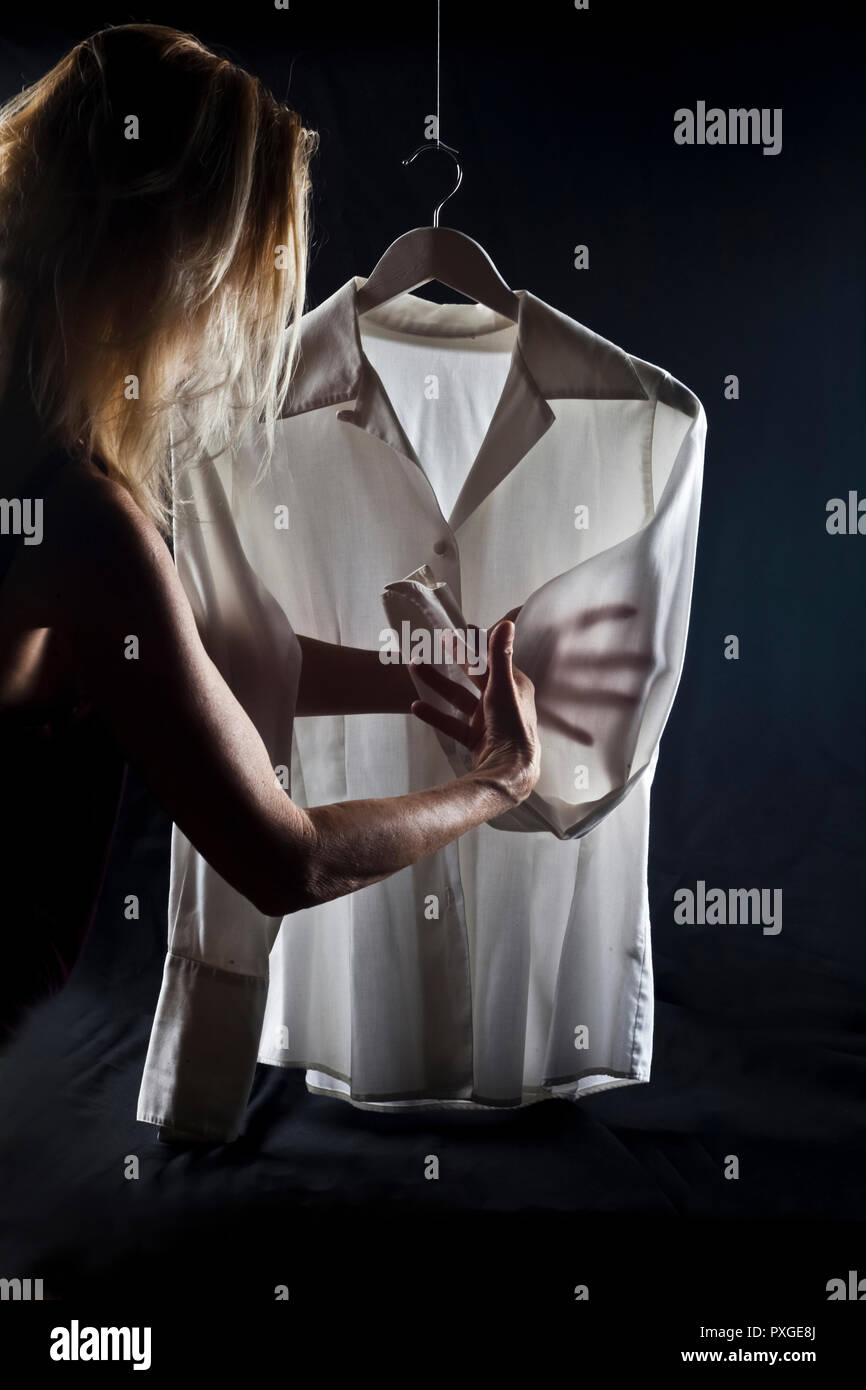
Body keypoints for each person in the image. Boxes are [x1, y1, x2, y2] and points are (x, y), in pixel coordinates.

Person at [0, 24, 540, 1037]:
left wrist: (410, 682)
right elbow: (284, 856)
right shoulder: (81, 518)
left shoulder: (35, 446)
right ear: (175, 263)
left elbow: (183, 659)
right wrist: (498, 781)